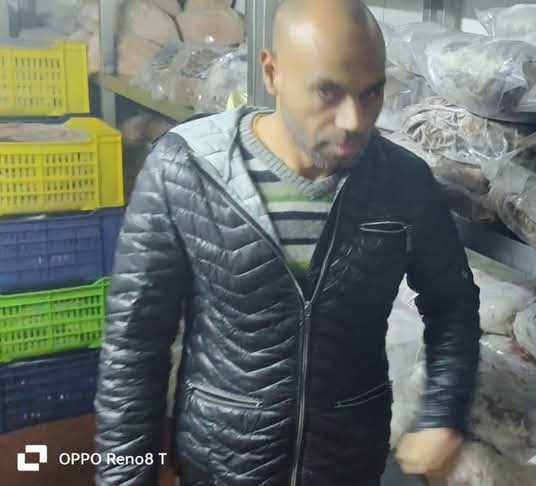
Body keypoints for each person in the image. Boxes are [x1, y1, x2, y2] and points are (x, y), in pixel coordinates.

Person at [93, 0, 480, 484]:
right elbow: (134, 343)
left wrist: (442, 412)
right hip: (222, 461)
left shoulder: (403, 183)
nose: (353, 120)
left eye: (371, 93)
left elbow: (452, 305)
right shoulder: (186, 169)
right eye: (327, 92)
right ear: (272, 73)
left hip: (346, 461)